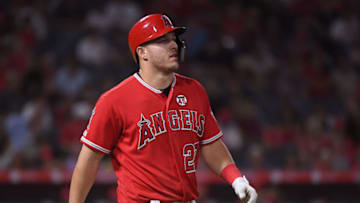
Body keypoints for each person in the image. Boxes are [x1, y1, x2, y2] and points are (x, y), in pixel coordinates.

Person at [69, 13, 257, 203]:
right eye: (162, 40)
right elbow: (89, 161)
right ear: (142, 53)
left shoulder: (195, 90)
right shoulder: (114, 100)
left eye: (174, 39)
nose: (174, 45)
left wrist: (236, 179)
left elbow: (210, 144)